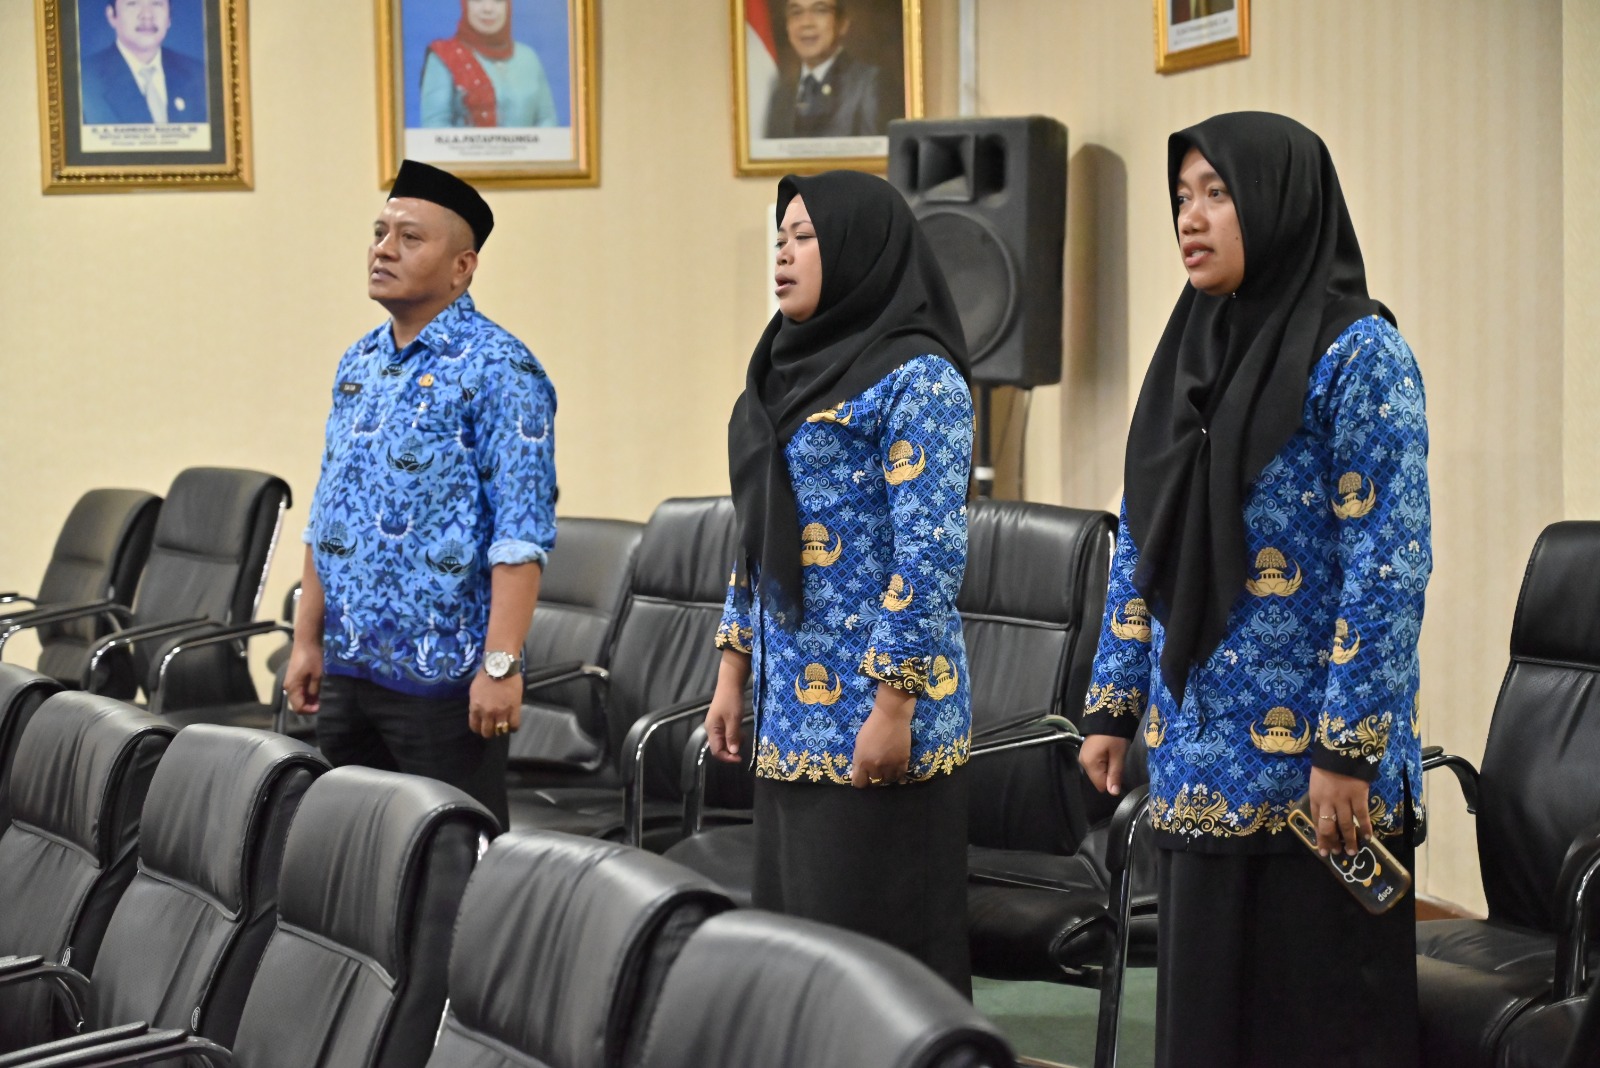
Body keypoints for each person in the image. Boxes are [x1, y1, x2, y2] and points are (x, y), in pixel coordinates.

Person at [1077, 112, 1430, 1067]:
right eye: (1181, 197)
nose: (1190, 219)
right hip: (1198, 762)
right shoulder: (1188, 353)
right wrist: (1112, 703)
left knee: (1313, 1034)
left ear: (1278, 203)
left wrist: (1347, 749)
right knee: (1207, 1035)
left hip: (1320, 788)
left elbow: (1389, 565)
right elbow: (1142, 538)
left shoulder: (1359, 354)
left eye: (1218, 194)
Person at [704, 170, 975, 993]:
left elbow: (929, 553)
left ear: (860, 250)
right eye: (779, 238)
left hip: (878, 719)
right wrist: (732, 670)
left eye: (805, 238)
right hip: (789, 717)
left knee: (880, 971)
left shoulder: (919, 377)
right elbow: (757, 533)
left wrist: (892, 706)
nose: (783, 255)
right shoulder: (781, 370)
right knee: (801, 962)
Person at [284, 159, 557, 832]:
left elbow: (521, 532)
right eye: (380, 233)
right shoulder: (359, 362)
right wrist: (306, 639)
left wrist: (501, 666)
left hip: (445, 682)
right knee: (347, 854)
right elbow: (328, 508)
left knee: (448, 860)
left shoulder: (502, 369)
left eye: (409, 238)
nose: (383, 249)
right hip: (348, 668)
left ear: (462, 267)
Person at [419, 0, 558, 129]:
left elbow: (547, 120)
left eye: (498, 1)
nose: (488, 9)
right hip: (465, 149)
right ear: (465, 5)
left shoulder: (528, 57)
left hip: (530, 149)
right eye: (478, 0)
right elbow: (434, 129)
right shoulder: (445, 56)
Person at [764, 0, 887, 139]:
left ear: (842, 24)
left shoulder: (868, 84)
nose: (806, 23)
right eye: (796, 12)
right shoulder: (781, 93)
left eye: (819, 10)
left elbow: (877, 152)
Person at [80, 0, 208, 125]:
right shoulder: (84, 80)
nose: (147, 15)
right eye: (132, 3)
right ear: (112, 15)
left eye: (157, 3)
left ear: (169, 16)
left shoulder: (199, 75)